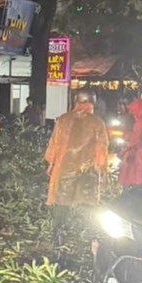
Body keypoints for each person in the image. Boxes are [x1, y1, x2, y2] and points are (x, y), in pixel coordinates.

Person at [45, 90, 108, 245]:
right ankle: (89, 236)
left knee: (61, 200)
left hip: (65, 167)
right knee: (88, 202)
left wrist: (51, 163)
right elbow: (102, 148)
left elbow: (54, 143)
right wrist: (102, 170)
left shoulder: (63, 120)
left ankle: (57, 233)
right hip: (88, 170)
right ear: (92, 103)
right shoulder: (97, 122)